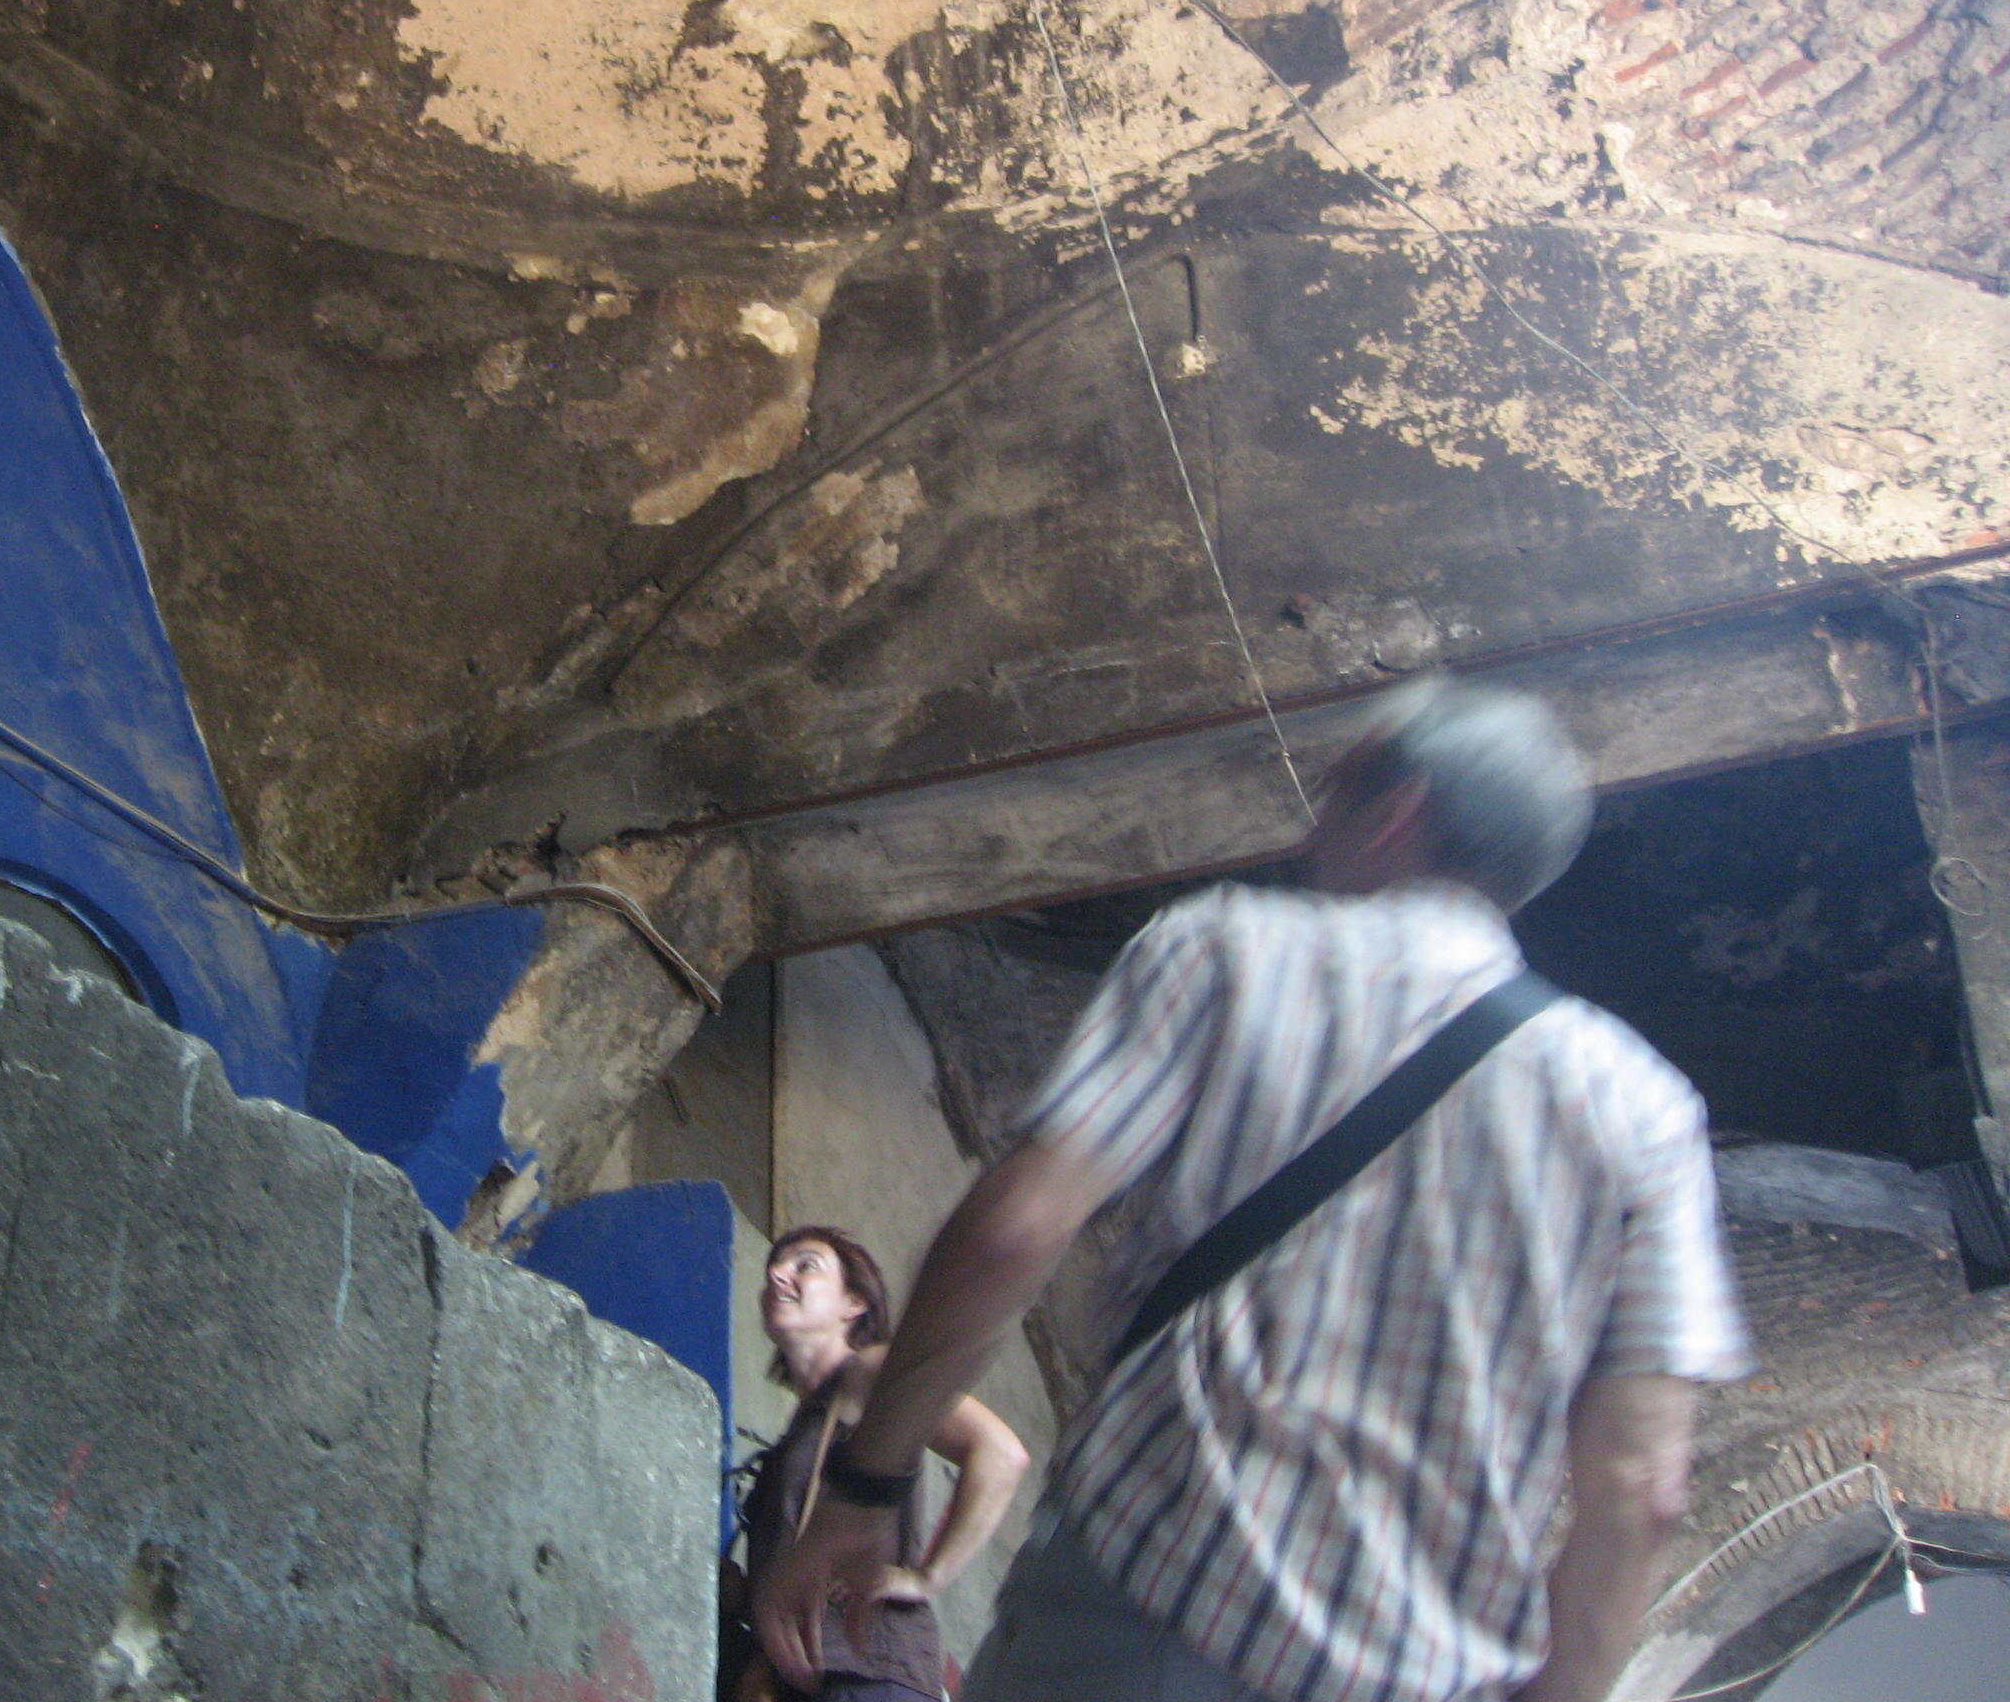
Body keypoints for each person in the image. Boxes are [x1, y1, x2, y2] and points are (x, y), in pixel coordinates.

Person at [755, 677, 1752, 1702]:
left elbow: (1013, 1230)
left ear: (1396, 810)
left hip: (1143, 1620)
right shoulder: (1646, 1114)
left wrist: (867, 1485)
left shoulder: (1230, 949)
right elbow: (1640, 1490)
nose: (1313, 828)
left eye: (1336, 791)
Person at [730, 1225, 1031, 1701]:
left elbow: (1000, 1453)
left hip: (871, 1676)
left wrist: (927, 1577)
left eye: (805, 1265)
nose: (778, 1274)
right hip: (811, 1680)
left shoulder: (867, 1371)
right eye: (775, 1266)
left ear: (854, 1303)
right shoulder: (801, 1430)